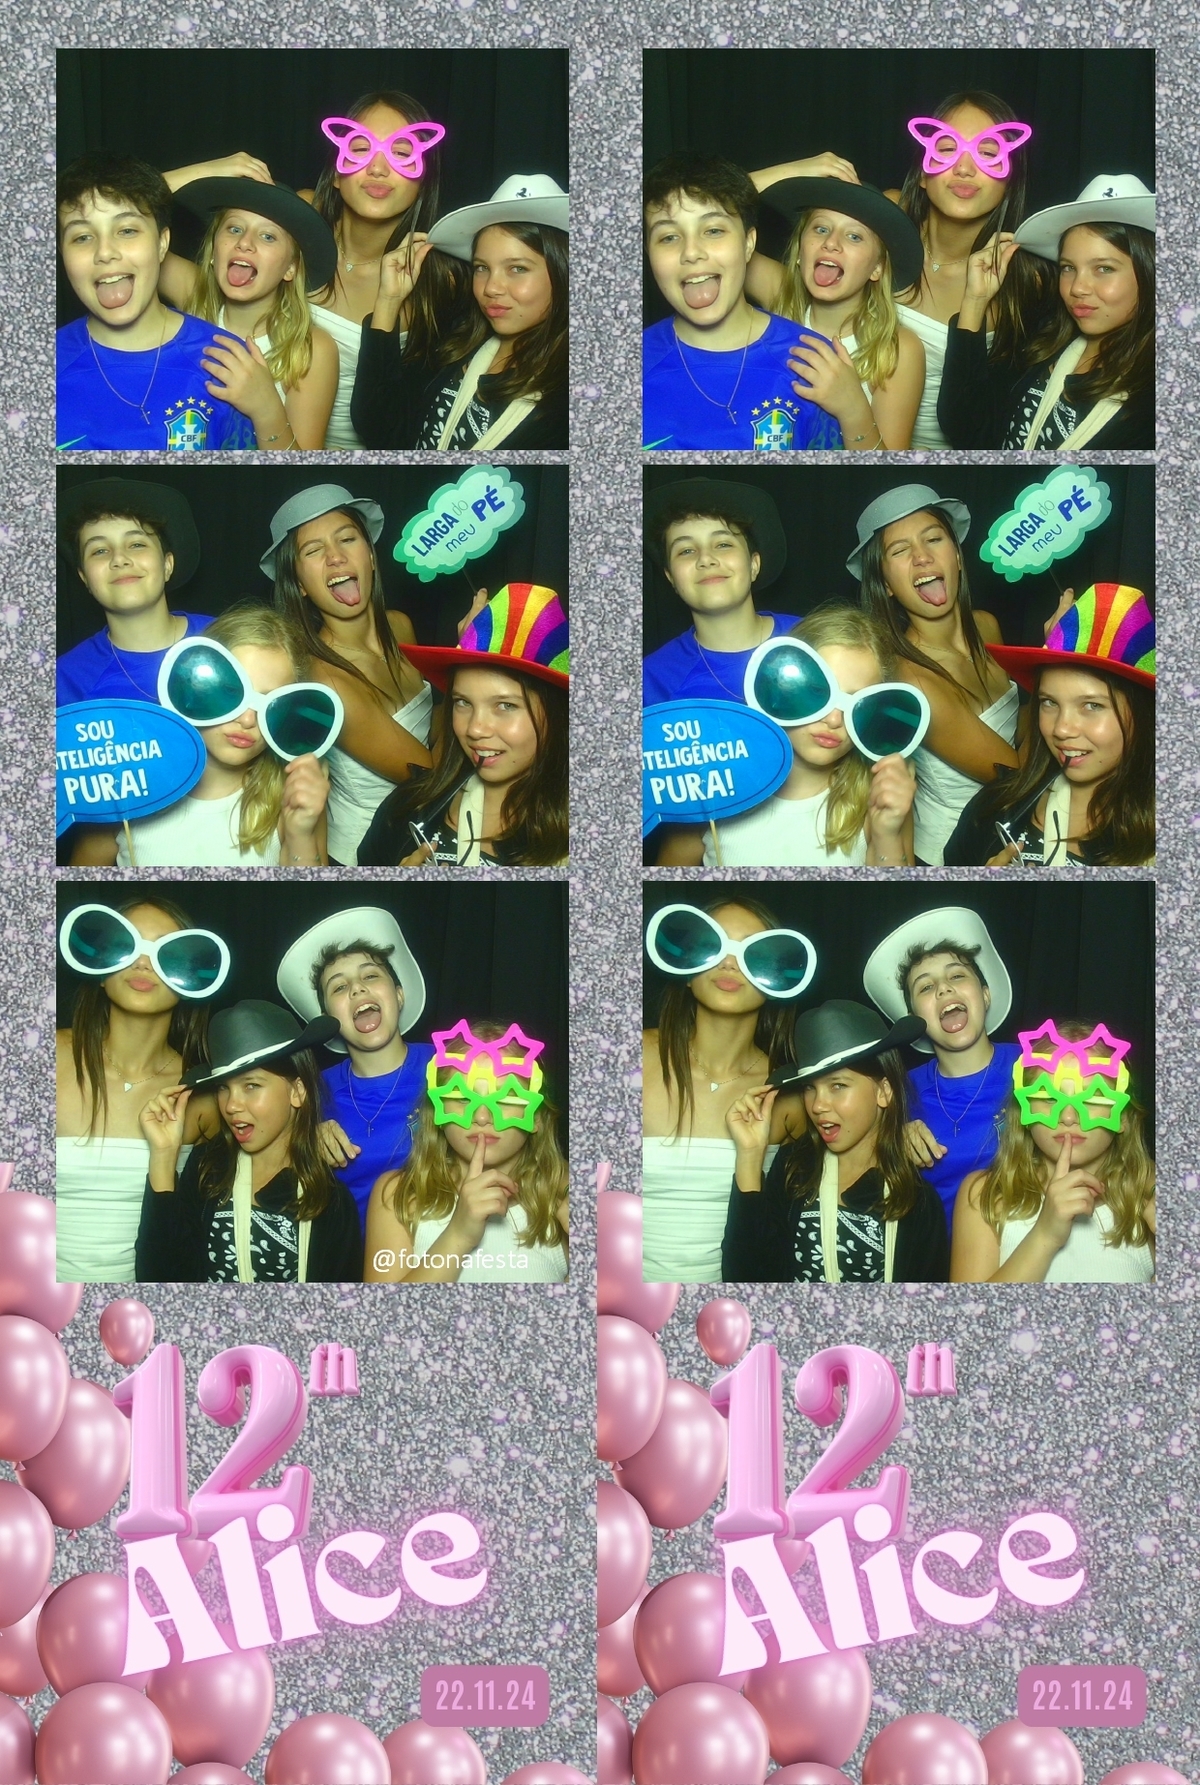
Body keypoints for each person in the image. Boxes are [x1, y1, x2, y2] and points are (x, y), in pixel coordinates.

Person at [69, 605, 333, 867]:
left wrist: (300, 835)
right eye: (231, 691)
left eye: (272, 704)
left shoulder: (294, 794)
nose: (247, 719)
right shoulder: (125, 784)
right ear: (195, 685)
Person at [657, 605, 920, 868]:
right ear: (780, 684)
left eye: (858, 703)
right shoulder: (711, 784)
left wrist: (887, 835)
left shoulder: (881, 794)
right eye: (817, 691)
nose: (834, 720)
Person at [642, 898, 812, 1281]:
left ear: (777, 981)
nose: (730, 962)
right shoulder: (632, 1057)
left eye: (755, 954)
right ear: (687, 972)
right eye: (712, 944)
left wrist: (905, 1129)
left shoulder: (790, 1095)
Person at [55, 896, 225, 1281]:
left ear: (190, 982)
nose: (143, 962)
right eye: (125, 944)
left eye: (168, 954)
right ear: (100, 971)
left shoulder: (203, 1095)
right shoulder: (43, 1057)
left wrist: (317, 1131)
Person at [264, 484, 433, 865]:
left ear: (370, 556)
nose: (335, 557)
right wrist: (470, 665)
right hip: (372, 852)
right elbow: (430, 777)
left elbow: (440, 726)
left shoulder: (400, 626)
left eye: (347, 539)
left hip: (425, 831)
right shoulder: (327, 681)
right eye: (313, 551)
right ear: (299, 584)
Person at [722, 1001, 950, 1283]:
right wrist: (750, 1155)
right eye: (810, 1088)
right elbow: (743, 1279)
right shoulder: (795, 1170)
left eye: (838, 1085)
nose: (817, 1105)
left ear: (884, 1091)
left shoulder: (918, 1202)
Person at [851, 483, 1020, 864]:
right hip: (957, 852)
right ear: (886, 585)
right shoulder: (913, 681)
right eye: (899, 550)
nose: (922, 557)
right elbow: (1017, 777)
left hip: (1010, 830)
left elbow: (1025, 725)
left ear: (957, 556)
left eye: (933, 539)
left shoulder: (987, 626)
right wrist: (1058, 665)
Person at [136, 1002, 362, 1283]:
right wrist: (163, 1155)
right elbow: (156, 1279)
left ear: (297, 1091)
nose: (231, 1105)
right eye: (223, 1088)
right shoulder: (208, 1171)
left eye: (251, 1085)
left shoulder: (331, 1202)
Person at [56, 152, 257, 451]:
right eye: (82, 237)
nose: (105, 252)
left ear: (162, 244)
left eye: (127, 230)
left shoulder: (226, 361)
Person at [358, 585, 569, 867]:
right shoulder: (406, 806)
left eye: (506, 706)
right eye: (463, 702)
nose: (475, 729)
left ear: (556, 714)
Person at [642, 153, 843, 451]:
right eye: (669, 237)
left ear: (749, 244)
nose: (691, 252)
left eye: (713, 230)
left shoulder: (812, 361)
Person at [945, 584, 1155, 867]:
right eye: (1049, 702)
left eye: (1092, 706)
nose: (1061, 729)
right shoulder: (992, 807)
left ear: (1143, 714)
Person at [884, 90, 1049, 450]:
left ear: (1009, 181)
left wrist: (974, 304)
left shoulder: (1023, 280)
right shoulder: (883, 224)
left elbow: (977, 430)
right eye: (947, 149)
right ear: (923, 173)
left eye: (988, 154)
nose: (964, 167)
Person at [353, 175, 569, 449]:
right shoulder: (457, 345)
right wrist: (389, 299)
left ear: (563, 273)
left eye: (517, 268)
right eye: (482, 268)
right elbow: (377, 428)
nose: (491, 288)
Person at [939, 175, 1154, 449]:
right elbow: (964, 428)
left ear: (1149, 273)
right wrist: (975, 300)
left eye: (1104, 268)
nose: (1077, 288)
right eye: (1068, 268)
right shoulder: (1043, 344)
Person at [300, 88, 453, 449]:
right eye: (360, 149)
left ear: (423, 180)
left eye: (401, 153)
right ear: (336, 173)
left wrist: (388, 304)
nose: (379, 168)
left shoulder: (436, 279)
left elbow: (392, 429)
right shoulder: (296, 226)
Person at [364, 1020, 569, 1283]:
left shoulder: (560, 1197)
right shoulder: (399, 1196)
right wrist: (458, 1236)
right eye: (462, 1097)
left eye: (506, 1098)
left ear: (537, 1116)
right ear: (437, 1109)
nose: (482, 1117)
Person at [951, 1019, 1154, 1283]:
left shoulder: (1145, 1198)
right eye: (1048, 1097)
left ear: (1123, 1116)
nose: (1068, 1117)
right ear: (1024, 1108)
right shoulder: (986, 1196)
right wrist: (1044, 1235)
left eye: (1093, 1097)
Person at [863, 906, 1021, 1234]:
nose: (943, 989)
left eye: (957, 975)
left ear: (985, 995)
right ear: (914, 1019)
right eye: (925, 987)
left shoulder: (1035, 1065)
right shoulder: (898, 1093)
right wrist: (892, 1140)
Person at [276, 907, 434, 1233]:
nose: (357, 989)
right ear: (328, 1018)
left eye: (370, 976)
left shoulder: (449, 1066)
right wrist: (306, 1139)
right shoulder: (311, 1093)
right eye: (338, 987)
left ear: (399, 995)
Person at [159, 172, 340, 450]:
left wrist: (265, 406)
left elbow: (302, 465)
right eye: (234, 229)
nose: (244, 242)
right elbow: (123, 211)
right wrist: (217, 167)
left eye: (268, 236)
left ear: (290, 268)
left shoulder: (310, 349)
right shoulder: (195, 296)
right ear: (214, 249)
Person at [745, 175, 926, 448]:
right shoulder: (781, 297)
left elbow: (888, 464)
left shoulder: (896, 349)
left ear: (877, 268)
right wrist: (801, 169)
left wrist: (852, 406)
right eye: (820, 229)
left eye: (854, 236)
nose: (831, 242)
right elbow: (713, 212)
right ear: (799, 251)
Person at [56, 478, 211, 705]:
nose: (119, 559)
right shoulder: (64, 681)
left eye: (137, 544)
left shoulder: (233, 640)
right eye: (99, 551)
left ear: (167, 565)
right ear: (84, 577)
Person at [642, 478, 796, 706]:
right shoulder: (649, 682)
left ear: (754, 565)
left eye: (723, 544)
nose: (705, 559)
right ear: (670, 577)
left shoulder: (819, 640)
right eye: (686, 551)